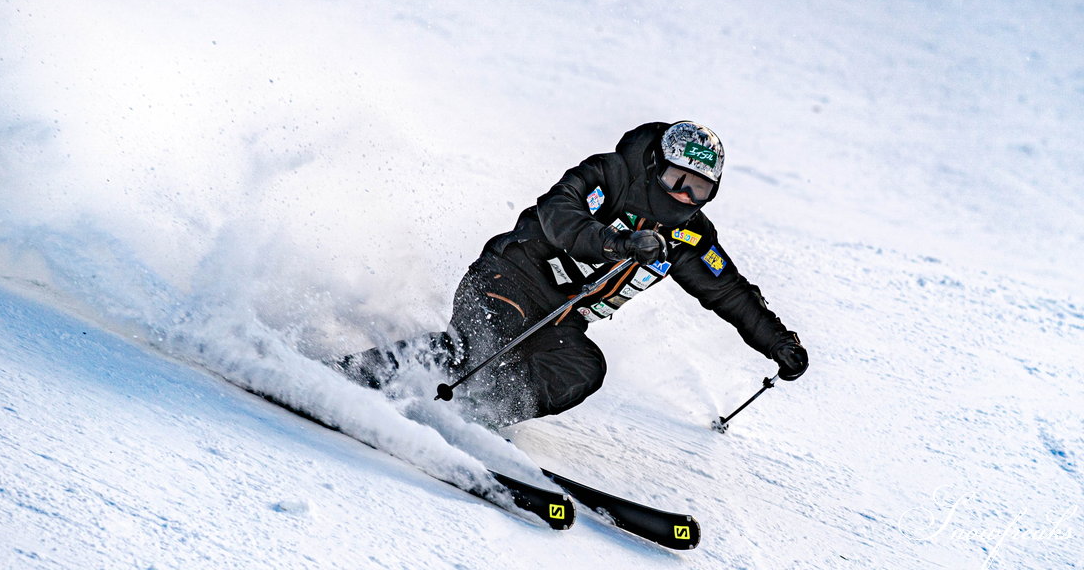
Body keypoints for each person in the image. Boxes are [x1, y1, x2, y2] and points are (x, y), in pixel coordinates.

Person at [334, 120, 808, 427]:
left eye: (699, 189)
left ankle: (474, 418)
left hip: (559, 321)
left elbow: (729, 292)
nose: (685, 196)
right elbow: (558, 214)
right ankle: (351, 377)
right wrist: (619, 243)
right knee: (486, 350)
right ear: (654, 167)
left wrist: (778, 342)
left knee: (583, 368)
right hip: (503, 283)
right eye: (677, 181)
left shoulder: (690, 236)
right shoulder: (610, 175)